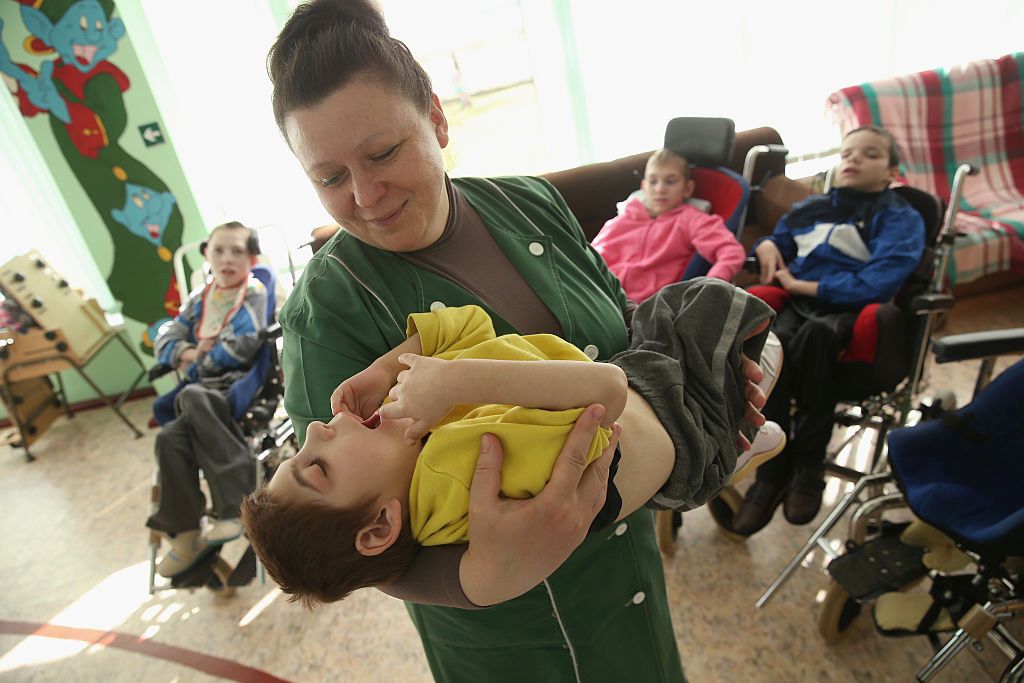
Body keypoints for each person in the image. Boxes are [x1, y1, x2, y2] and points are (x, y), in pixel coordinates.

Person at [267, 2, 766, 679]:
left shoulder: (529, 203)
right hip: (517, 638)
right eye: (329, 177)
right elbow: (342, 536)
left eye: (383, 153)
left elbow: (617, 327)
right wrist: (490, 572)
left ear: (437, 120)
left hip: (628, 578)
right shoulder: (327, 311)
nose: (366, 195)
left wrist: (707, 372)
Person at [244, 285, 785, 606]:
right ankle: (735, 444)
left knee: (662, 308)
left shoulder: (416, 450)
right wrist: (461, 383)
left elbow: (466, 328)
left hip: (643, 377)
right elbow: (603, 392)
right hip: (683, 423)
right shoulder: (466, 475)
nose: (314, 430)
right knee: (706, 302)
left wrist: (386, 368)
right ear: (381, 526)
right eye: (316, 468)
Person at [731, 125, 926, 536]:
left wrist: (808, 286)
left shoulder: (898, 217)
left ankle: (808, 462)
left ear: (891, 171)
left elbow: (882, 281)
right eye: (848, 152)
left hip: (852, 308)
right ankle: (774, 466)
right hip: (798, 303)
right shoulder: (810, 209)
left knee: (816, 336)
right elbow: (781, 242)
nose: (852, 159)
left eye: (868, 154)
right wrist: (765, 246)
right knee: (773, 342)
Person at [146, 221, 268, 577]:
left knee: (193, 395)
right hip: (198, 393)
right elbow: (166, 336)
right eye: (219, 251)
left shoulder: (254, 292)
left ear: (252, 258)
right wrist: (186, 351)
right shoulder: (200, 297)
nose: (227, 259)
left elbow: (243, 345)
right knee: (169, 439)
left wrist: (197, 359)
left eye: (237, 252)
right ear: (206, 255)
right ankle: (186, 535)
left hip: (240, 387)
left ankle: (233, 507)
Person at [592, 148, 746, 303]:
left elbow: (731, 252)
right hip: (600, 297)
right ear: (644, 187)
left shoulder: (691, 219)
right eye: (653, 182)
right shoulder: (622, 219)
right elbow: (590, 256)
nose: (660, 189)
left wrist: (711, 286)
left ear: (687, 189)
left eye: (670, 181)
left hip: (647, 307)